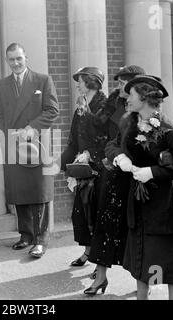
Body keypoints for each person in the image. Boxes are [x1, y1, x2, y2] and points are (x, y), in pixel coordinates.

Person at [108, 75, 173, 300]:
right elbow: (116, 145)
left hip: (164, 205)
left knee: (167, 258)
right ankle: (143, 298)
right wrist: (121, 158)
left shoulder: (168, 128)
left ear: (145, 97)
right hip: (139, 202)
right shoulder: (131, 123)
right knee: (143, 254)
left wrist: (152, 172)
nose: (127, 98)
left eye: (132, 94)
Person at [85, 65, 145, 295]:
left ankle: (143, 285)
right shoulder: (115, 104)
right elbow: (109, 137)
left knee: (136, 230)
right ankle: (100, 277)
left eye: (123, 83)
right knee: (105, 222)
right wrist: (112, 156)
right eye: (119, 83)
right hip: (114, 172)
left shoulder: (143, 113)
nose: (119, 87)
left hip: (136, 178)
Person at [0, 43, 59, 258]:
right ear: (7, 61)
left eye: (19, 58)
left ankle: (41, 239)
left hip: (36, 144)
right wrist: (7, 133)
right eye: (11, 59)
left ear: (26, 57)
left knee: (38, 190)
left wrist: (31, 128)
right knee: (18, 188)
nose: (15, 63)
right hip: (14, 144)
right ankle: (26, 235)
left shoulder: (42, 80)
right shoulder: (2, 84)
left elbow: (52, 111)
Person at [60, 67, 118, 271]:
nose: (77, 84)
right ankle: (87, 251)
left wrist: (92, 155)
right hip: (83, 166)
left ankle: (98, 262)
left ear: (91, 83)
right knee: (82, 212)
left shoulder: (106, 105)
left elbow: (110, 137)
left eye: (81, 81)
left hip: (101, 166)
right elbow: (74, 135)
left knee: (97, 212)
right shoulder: (81, 105)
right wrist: (69, 160)